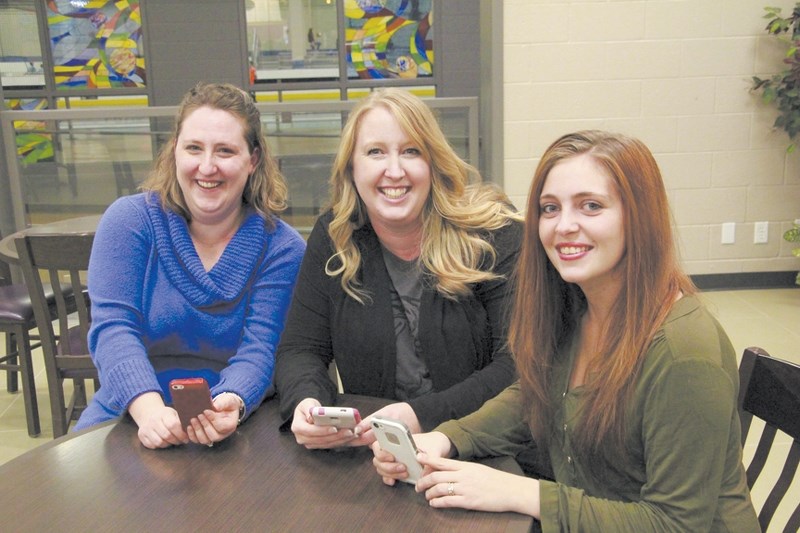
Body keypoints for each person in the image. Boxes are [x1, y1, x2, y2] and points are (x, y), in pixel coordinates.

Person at [372, 131, 760, 531]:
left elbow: (676, 524)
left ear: (639, 217)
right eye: (550, 208)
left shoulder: (684, 352)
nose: (564, 226)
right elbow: (535, 395)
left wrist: (520, 492)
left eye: (591, 206)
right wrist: (446, 439)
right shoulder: (579, 307)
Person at [274, 88, 522, 449]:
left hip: (485, 448)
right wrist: (307, 404)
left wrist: (422, 415)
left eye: (411, 151)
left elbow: (516, 366)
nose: (394, 170)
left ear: (433, 163)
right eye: (375, 152)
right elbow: (301, 348)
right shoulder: (336, 236)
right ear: (351, 168)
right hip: (376, 454)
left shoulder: (495, 234)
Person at [75, 82, 306, 449]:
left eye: (226, 151)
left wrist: (231, 400)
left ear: (254, 160)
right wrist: (150, 411)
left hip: (234, 424)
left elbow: (261, 349)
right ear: (175, 152)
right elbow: (113, 331)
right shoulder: (130, 222)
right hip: (128, 410)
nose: (207, 166)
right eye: (194, 148)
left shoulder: (282, 248)